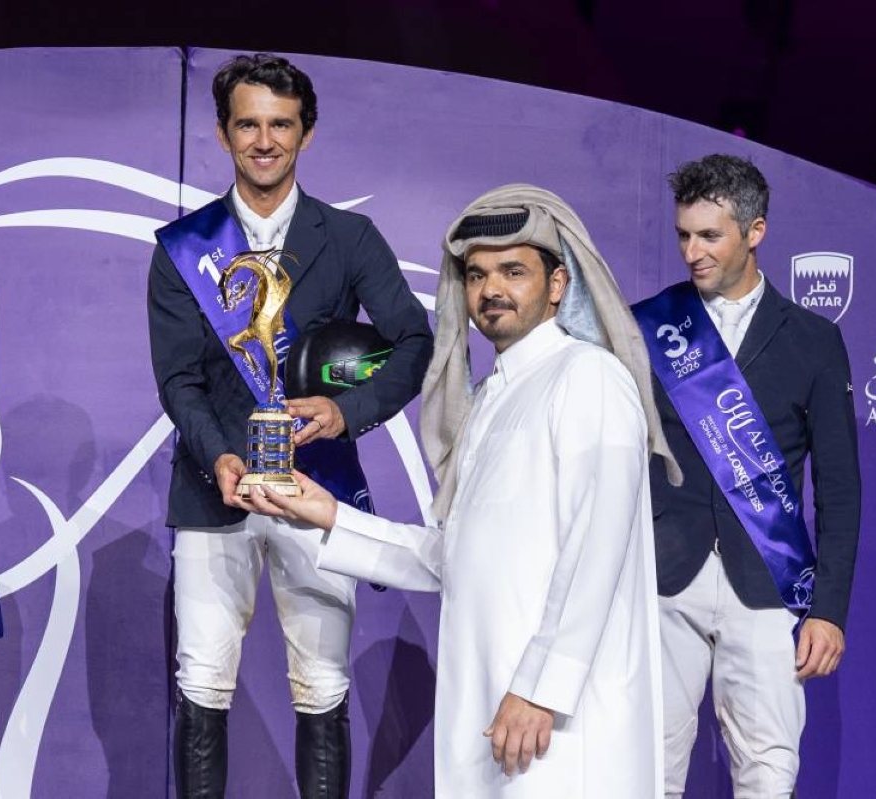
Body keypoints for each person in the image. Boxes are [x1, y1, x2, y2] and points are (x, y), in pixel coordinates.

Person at [246, 185, 672, 797]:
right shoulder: (494, 400)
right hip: (497, 713)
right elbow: (452, 556)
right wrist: (329, 514)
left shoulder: (589, 377)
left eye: (513, 271)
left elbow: (597, 547)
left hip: (559, 722)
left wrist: (541, 689)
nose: (491, 289)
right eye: (476, 274)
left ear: (557, 285)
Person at [146, 53, 433, 797]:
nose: (264, 140)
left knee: (322, 683)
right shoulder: (183, 248)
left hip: (318, 483)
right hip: (216, 494)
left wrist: (349, 410)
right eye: (248, 124)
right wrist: (218, 459)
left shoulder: (350, 237)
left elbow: (414, 342)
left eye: (281, 124)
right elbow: (178, 380)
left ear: (306, 133)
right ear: (222, 133)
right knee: (201, 682)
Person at [634, 154, 860, 798]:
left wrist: (830, 611)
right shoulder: (648, 323)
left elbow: (840, 489)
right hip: (662, 579)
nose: (693, 252)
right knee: (649, 769)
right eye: (683, 235)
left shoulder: (813, 339)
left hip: (767, 584)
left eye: (711, 236)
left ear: (755, 233)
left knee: (768, 771)